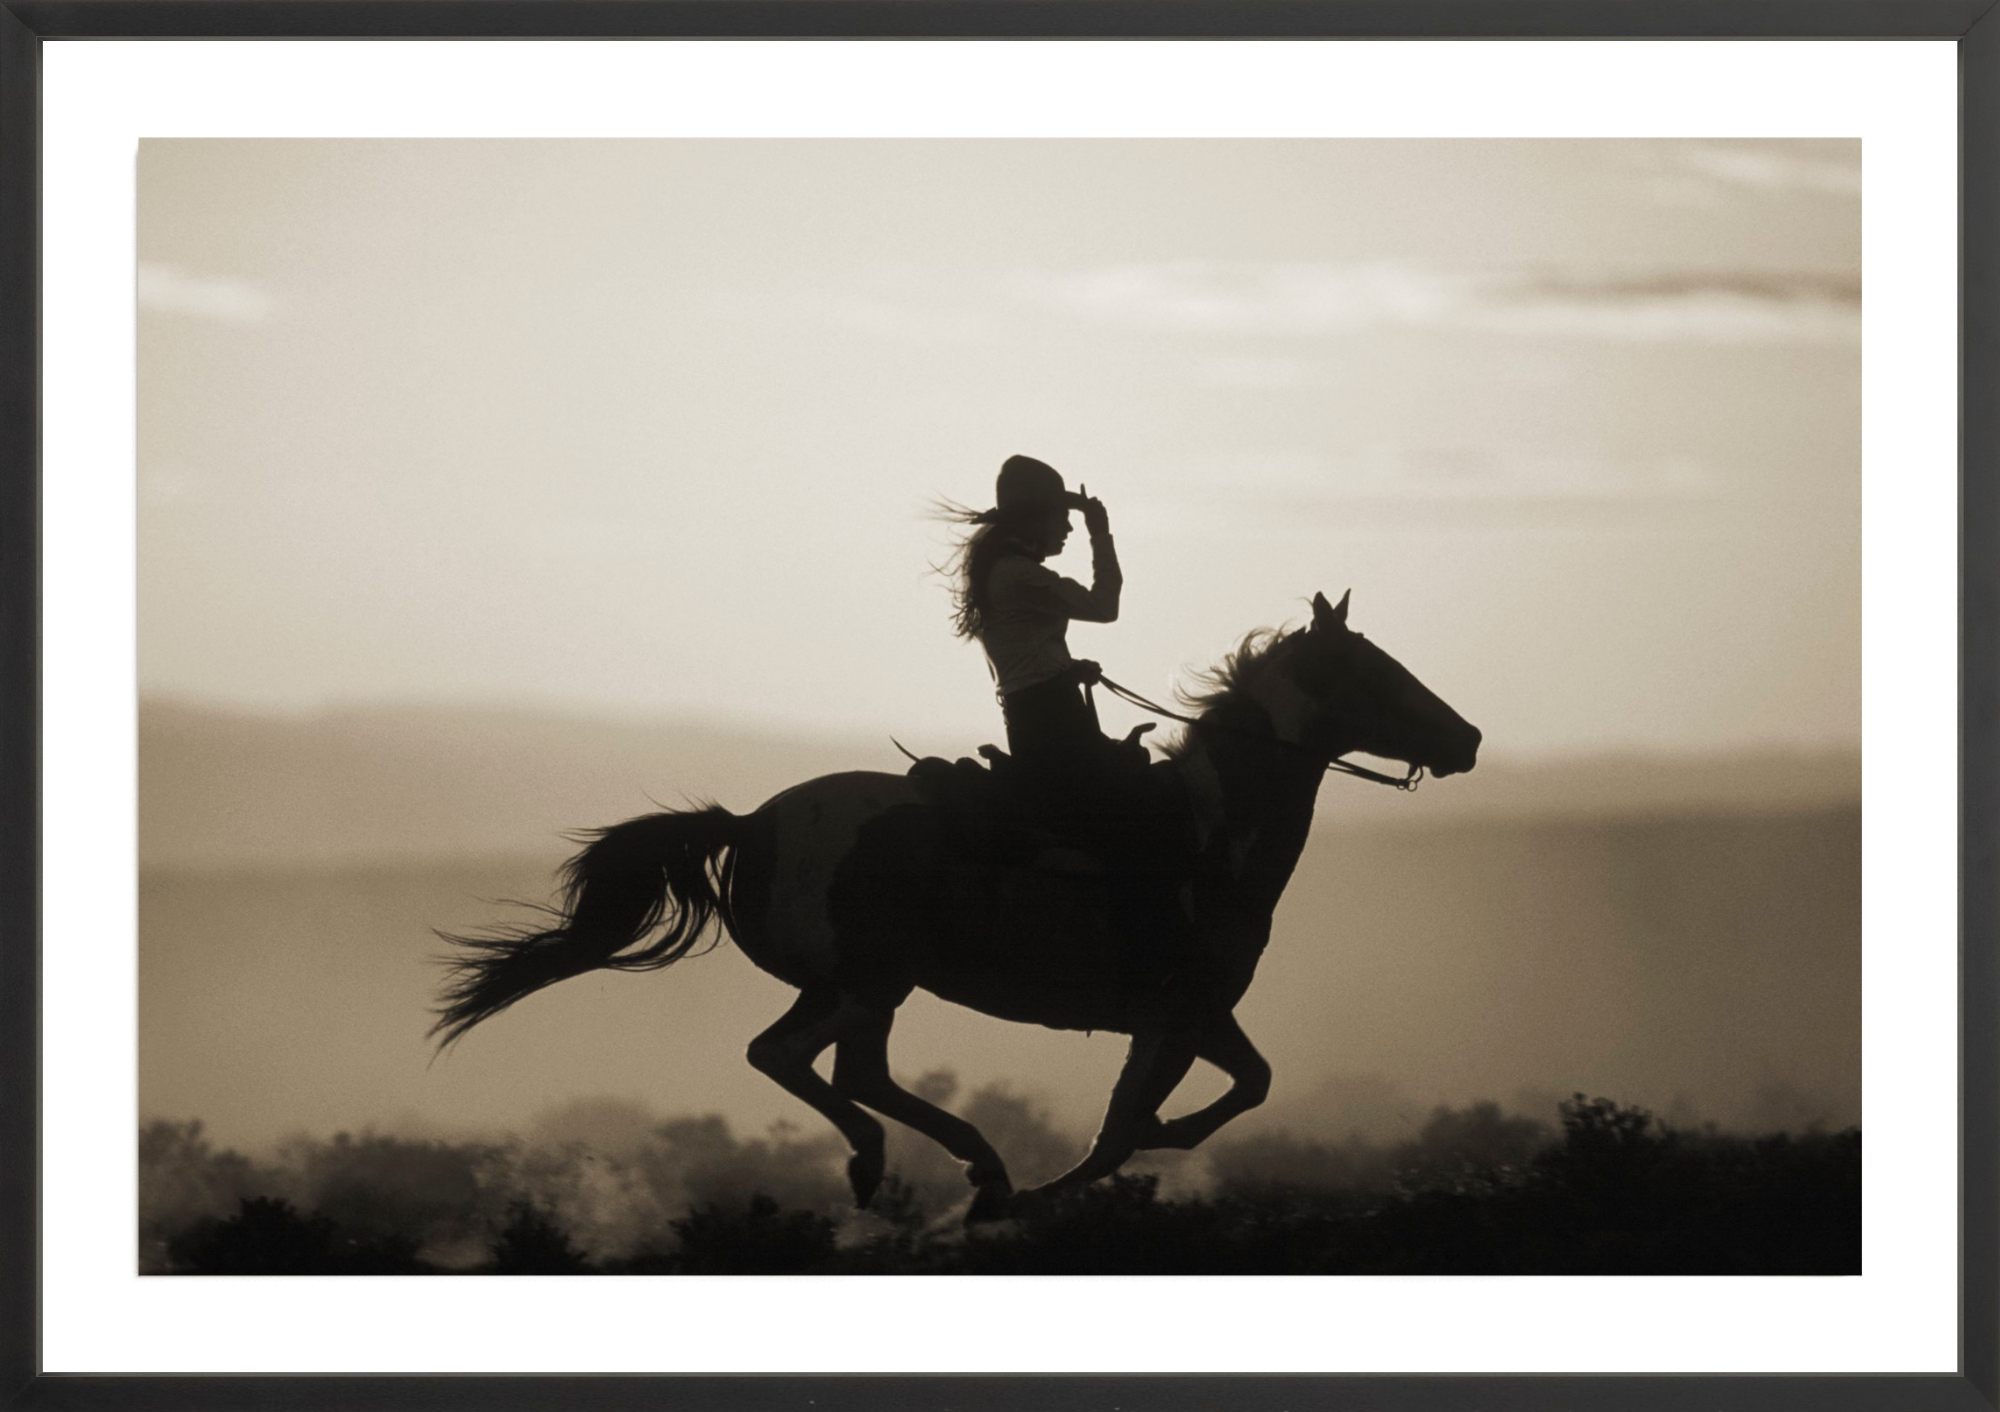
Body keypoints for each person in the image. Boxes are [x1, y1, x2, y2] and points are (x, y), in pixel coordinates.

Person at [941, 455, 1190, 981]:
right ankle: (1138, 952)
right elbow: (1105, 605)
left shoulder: (1004, 574)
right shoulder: (1021, 575)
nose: (1070, 526)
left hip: (1044, 717)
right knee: (1138, 821)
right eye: (1062, 517)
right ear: (1034, 521)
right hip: (1054, 726)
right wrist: (1104, 535)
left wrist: (1065, 667)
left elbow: (1026, 655)